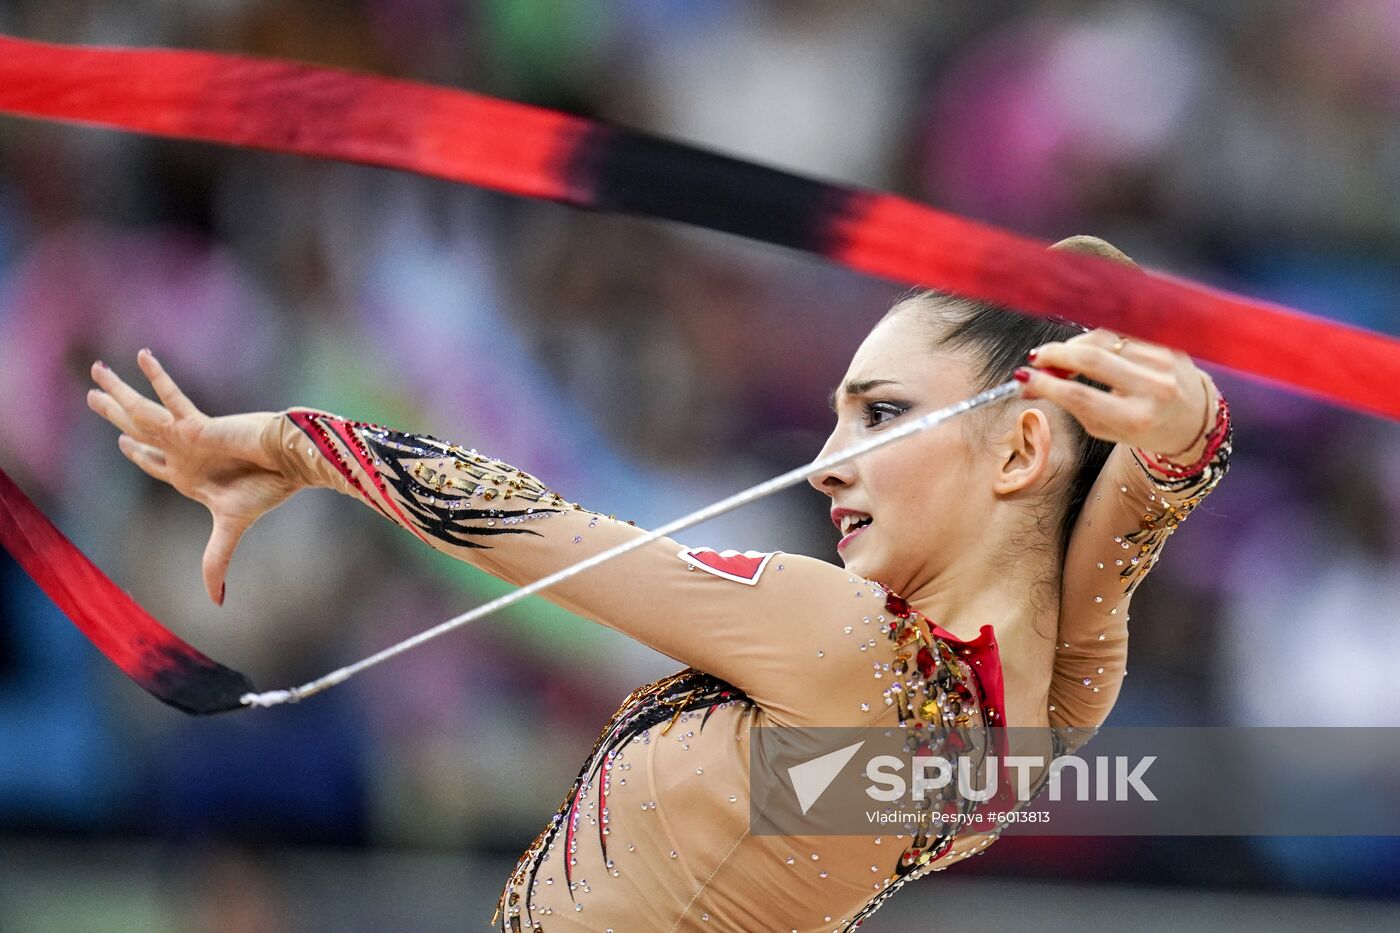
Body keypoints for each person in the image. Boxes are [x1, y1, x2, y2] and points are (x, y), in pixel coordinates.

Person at [85, 236, 1232, 930]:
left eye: (880, 413)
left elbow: (526, 526)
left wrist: (291, 441)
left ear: (1021, 450)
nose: (827, 460)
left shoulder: (842, 641)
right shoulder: (1036, 717)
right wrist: (1188, 428)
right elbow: (1127, 519)